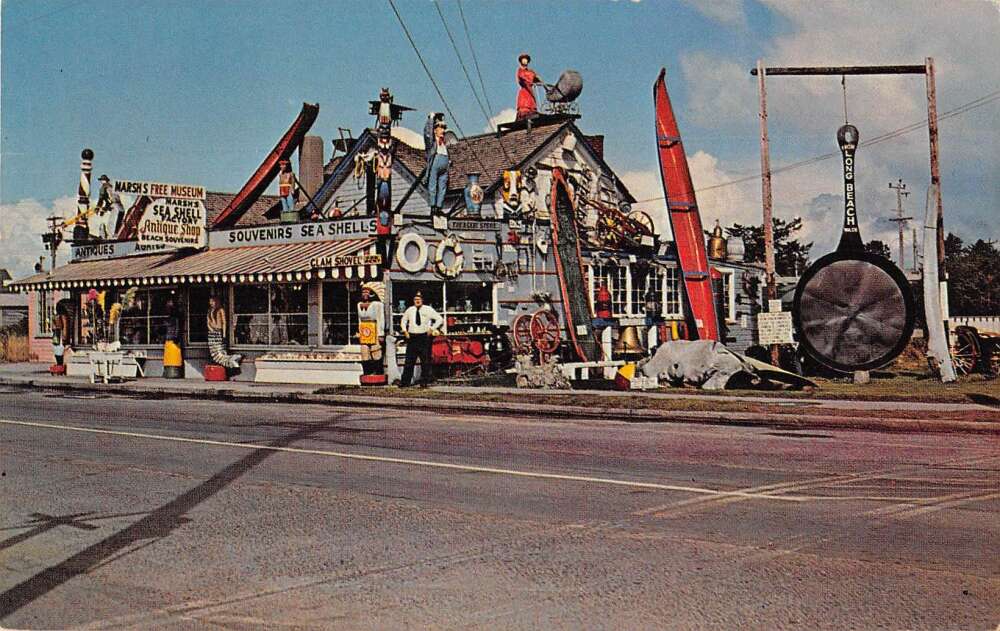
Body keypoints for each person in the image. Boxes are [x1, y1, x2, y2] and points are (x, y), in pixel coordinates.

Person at [399, 291, 443, 387]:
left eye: (419, 299)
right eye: (415, 299)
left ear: (422, 300)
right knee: (409, 362)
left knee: (425, 361)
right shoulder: (410, 310)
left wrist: (432, 329)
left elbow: (440, 319)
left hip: (424, 337)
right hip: (412, 337)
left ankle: (424, 382)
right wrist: (405, 331)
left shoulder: (428, 309)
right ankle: (405, 382)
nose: (417, 301)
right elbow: (403, 321)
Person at [357, 282, 385, 376]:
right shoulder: (359, 304)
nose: (365, 294)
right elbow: (359, 320)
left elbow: (381, 318)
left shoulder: (377, 304)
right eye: (363, 292)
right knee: (364, 351)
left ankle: (378, 373)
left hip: (375, 329)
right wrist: (359, 332)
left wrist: (381, 333)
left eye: (367, 292)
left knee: (376, 351)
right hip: (364, 331)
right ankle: (367, 373)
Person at [423, 116, 449, 215]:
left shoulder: (444, 143)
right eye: (440, 127)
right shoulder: (432, 143)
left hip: (444, 166)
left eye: (444, 128)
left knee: (442, 186)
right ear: (435, 130)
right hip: (435, 163)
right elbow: (427, 133)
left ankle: (439, 206)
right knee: (432, 185)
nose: (443, 130)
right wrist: (430, 119)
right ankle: (433, 206)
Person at [207, 296, 241, 369]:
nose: (211, 303)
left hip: (219, 332)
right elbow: (208, 322)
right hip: (212, 333)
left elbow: (224, 323)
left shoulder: (220, 310)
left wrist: (224, 334)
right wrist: (211, 329)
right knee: (214, 353)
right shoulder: (210, 311)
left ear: (216, 301)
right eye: (210, 301)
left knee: (220, 351)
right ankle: (231, 362)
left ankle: (232, 361)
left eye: (212, 301)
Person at [516, 53, 543, 121]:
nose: (525, 61)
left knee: (531, 103)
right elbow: (522, 77)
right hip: (525, 91)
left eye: (526, 59)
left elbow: (537, 79)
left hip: (530, 90)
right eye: (523, 59)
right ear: (521, 61)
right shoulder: (520, 70)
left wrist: (538, 78)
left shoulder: (531, 71)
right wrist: (530, 80)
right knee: (525, 105)